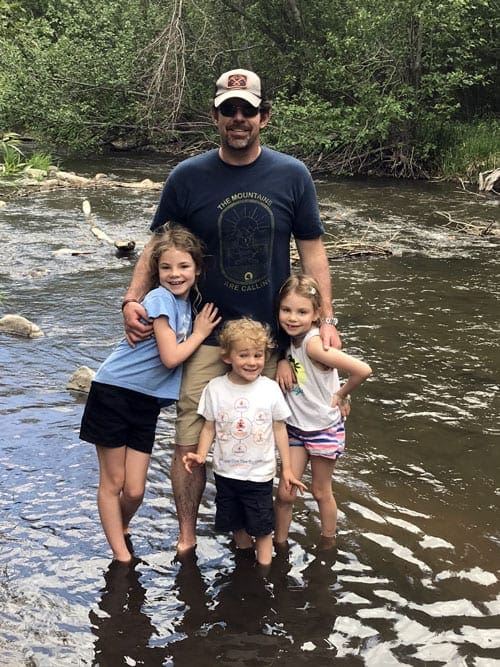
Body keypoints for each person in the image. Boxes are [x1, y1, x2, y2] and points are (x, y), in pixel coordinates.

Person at [121, 68, 340, 555]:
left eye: (247, 110)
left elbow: (313, 254)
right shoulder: (187, 176)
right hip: (203, 334)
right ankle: (186, 537)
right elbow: (159, 245)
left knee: (265, 441)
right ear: (216, 117)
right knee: (190, 442)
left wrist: (325, 322)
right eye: (228, 111)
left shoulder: (292, 175)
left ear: (264, 116)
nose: (237, 119)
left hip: (270, 340)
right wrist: (132, 299)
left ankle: (252, 537)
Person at [80, 225, 220, 563]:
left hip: (145, 402)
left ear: (197, 269)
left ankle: (120, 529)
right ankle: (121, 557)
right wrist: (201, 334)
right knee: (113, 482)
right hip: (114, 391)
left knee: (136, 490)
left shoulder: (186, 306)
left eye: (184, 267)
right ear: (156, 272)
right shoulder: (159, 299)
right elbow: (171, 357)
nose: (175, 274)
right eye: (166, 268)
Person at [182, 318, 306, 568]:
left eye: (258, 355)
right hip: (226, 473)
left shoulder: (269, 389)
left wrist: (288, 469)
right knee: (233, 522)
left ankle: (263, 572)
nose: (252, 362)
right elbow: (209, 426)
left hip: (258, 475)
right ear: (227, 357)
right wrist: (200, 454)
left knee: (262, 529)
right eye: (244, 355)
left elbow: (280, 429)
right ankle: (245, 557)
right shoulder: (215, 388)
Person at [274, 274, 372, 550]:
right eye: (286, 310)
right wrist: (282, 358)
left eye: (302, 312)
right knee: (285, 493)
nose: (293, 318)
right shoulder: (291, 341)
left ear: (317, 314)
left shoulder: (313, 344)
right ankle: (279, 544)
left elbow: (362, 369)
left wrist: (341, 393)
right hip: (295, 427)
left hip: (323, 427)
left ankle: (328, 543)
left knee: (320, 490)